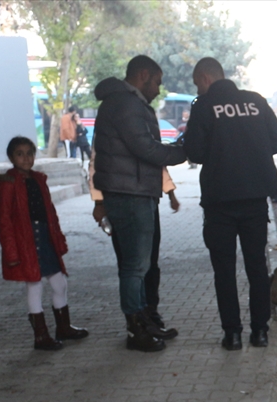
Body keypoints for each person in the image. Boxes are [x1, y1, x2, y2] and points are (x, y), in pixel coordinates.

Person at [184, 57, 277, 349]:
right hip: (255, 199)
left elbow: (194, 152)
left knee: (224, 270)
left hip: (220, 203)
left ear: (204, 78)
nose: (199, 90)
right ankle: (261, 332)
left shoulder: (203, 107)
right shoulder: (256, 102)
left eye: (197, 85)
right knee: (256, 267)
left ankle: (233, 334)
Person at [91, 55, 187, 351]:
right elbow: (144, 147)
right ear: (143, 75)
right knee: (135, 266)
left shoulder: (121, 102)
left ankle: (144, 321)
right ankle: (136, 330)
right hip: (129, 195)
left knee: (141, 265)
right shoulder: (126, 104)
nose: (159, 89)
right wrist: (183, 151)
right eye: (157, 81)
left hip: (132, 192)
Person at [0, 136, 88, 351]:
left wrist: (59, 239)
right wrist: (11, 252)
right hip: (25, 241)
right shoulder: (7, 185)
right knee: (34, 285)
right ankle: (41, 336)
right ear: (11, 157)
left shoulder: (38, 180)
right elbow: (4, 221)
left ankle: (63, 327)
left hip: (45, 237)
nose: (26, 158)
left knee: (59, 282)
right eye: (20, 154)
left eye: (30, 153)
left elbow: (51, 213)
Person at [89, 148, 181, 337]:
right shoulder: (112, 123)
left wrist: (170, 192)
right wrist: (99, 203)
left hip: (147, 199)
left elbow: (154, 157)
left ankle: (149, 314)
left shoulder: (142, 122)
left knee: (149, 263)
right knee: (131, 264)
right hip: (121, 201)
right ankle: (135, 322)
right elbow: (96, 164)